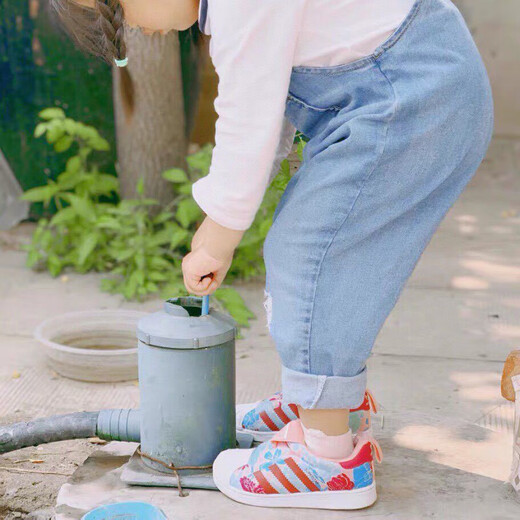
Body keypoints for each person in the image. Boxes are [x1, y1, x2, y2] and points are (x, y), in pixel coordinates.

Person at [52, 0, 493, 509]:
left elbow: (250, 113)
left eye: (119, 10)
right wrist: (228, 218)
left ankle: (327, 457)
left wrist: (217, 233)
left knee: (312, 253)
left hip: (410, 96)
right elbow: (273, 97)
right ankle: (324, 405)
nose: (131, 26)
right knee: (317, 249)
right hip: (407, 94)